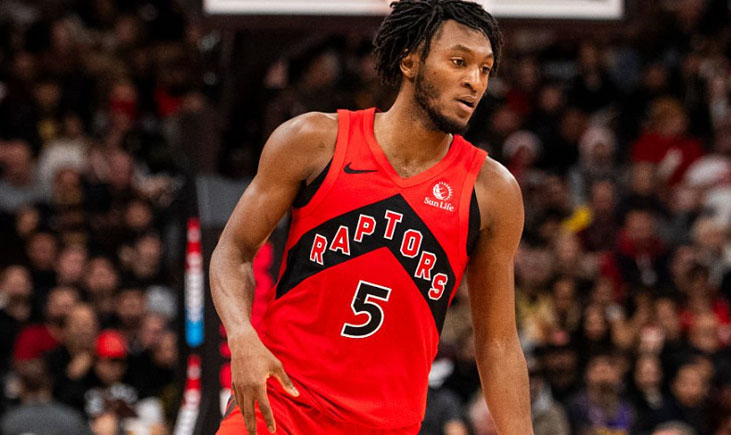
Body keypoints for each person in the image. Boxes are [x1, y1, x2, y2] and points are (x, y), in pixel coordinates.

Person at [211, 1, 531, 434]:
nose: (474, 81)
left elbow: (498, 343)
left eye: (485, 69)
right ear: (410, 61)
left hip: (386, 426)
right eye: (459, 62)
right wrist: (241, 335)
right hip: (280, 408)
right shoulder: (314, 141)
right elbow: (233, 252)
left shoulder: (492, 192)